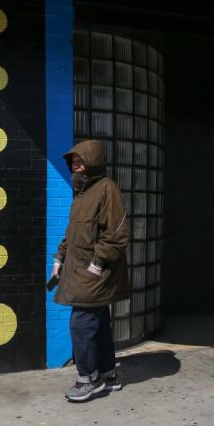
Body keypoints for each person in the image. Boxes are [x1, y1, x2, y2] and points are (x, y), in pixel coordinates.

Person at [51, 139, 130, 402]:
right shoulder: (82, 193)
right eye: (73, 162)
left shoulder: (107, 188)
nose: (76, 165)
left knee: (80, 322)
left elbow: (117, 234)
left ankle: (88, 379)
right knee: (98, 323)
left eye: (80, 160)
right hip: (80, 268)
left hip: (96, 271)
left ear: (93, 161)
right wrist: (59, 257)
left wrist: (97, 264)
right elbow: (73, 232)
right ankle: (108, 374)